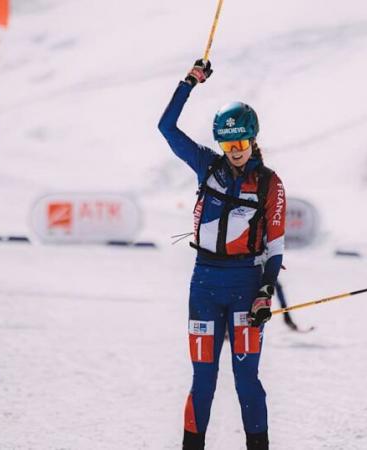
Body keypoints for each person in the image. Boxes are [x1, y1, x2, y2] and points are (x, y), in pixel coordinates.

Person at [159, 60, 286, 450]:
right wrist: (189, 84)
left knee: (246, 380)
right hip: (205, 285)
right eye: (228, 144)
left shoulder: (269, 183)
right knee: (203, 379)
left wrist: (265, 290)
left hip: (246, 286)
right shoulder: (206, 165)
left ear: (253, 140)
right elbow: (166, 128)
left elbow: (276, 247)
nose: (235, 152)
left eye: (241, 144)